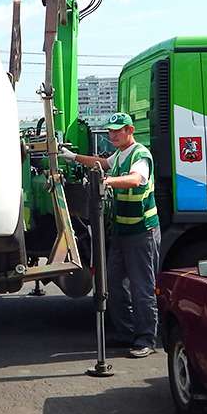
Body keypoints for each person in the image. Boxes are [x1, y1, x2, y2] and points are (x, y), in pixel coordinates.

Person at [60, 112, 160, 358]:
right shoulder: (119, 155)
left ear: (130, 130)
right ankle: (126, 334)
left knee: (142, 288)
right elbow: (100, 162)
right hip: (121, 231)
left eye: (118, 130)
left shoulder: (140, 155)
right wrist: (73, 157)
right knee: (114, 284)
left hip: (141, 232)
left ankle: (146, 338)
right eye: (110, 131)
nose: (112, 134)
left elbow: (137, 179)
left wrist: (110, 181)